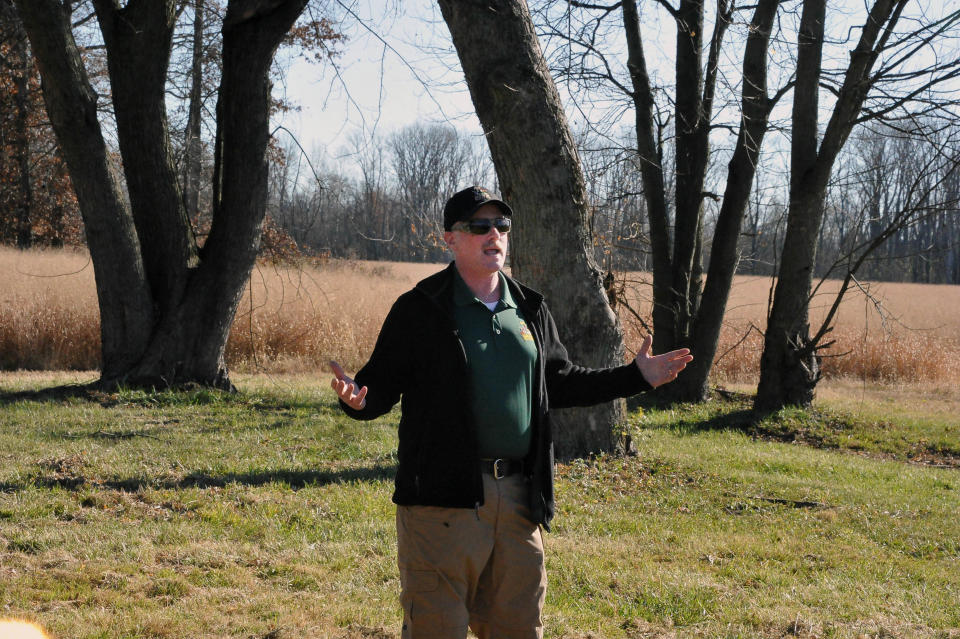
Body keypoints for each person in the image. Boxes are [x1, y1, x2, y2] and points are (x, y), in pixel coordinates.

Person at [329, 186, 692, 639]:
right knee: (436, 629)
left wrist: (635, 376)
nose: (493, 235)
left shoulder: (531, 308)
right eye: (479, 226)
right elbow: (377, 386)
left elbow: (558, 383)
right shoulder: (420, 309)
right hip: (443, 501)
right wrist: (358, 401)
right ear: (450, 238)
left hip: (520, 497)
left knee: (518, 629)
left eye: (501, 226)